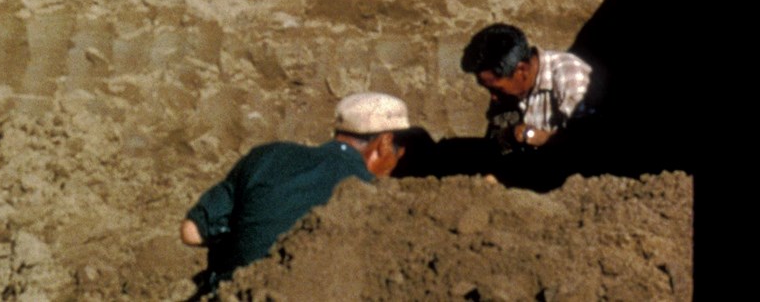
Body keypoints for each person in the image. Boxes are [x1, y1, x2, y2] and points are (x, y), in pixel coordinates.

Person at [179, 92, 410, 296]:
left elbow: (191, 233)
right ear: (385, 142)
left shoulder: (268, 157)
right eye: (397, 158)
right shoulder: (373, 197)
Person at [459, 23, 593, 152]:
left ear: (522, 70)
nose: (493, 97)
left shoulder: (570, 77)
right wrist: (510, 135)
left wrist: (547, 138)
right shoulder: (508, 89)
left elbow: (590, 138)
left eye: (497, 89)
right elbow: (496, 141)